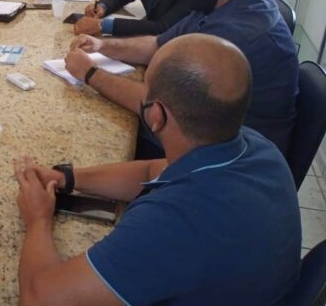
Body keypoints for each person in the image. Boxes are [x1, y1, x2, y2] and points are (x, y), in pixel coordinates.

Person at [15, 34, 301, 305]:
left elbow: (39, 298)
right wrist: (67, 177)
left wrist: (38, 219)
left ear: (156, 115)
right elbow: (151, 171)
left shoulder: (176, 221)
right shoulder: (256, 147)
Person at [65, 0, 298, 154]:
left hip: (230, 157)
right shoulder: (219, 4)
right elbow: (158, 44)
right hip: (201, 131)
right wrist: (102, 46)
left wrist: (90, 73)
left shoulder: (234, 36)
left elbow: (158, 106)